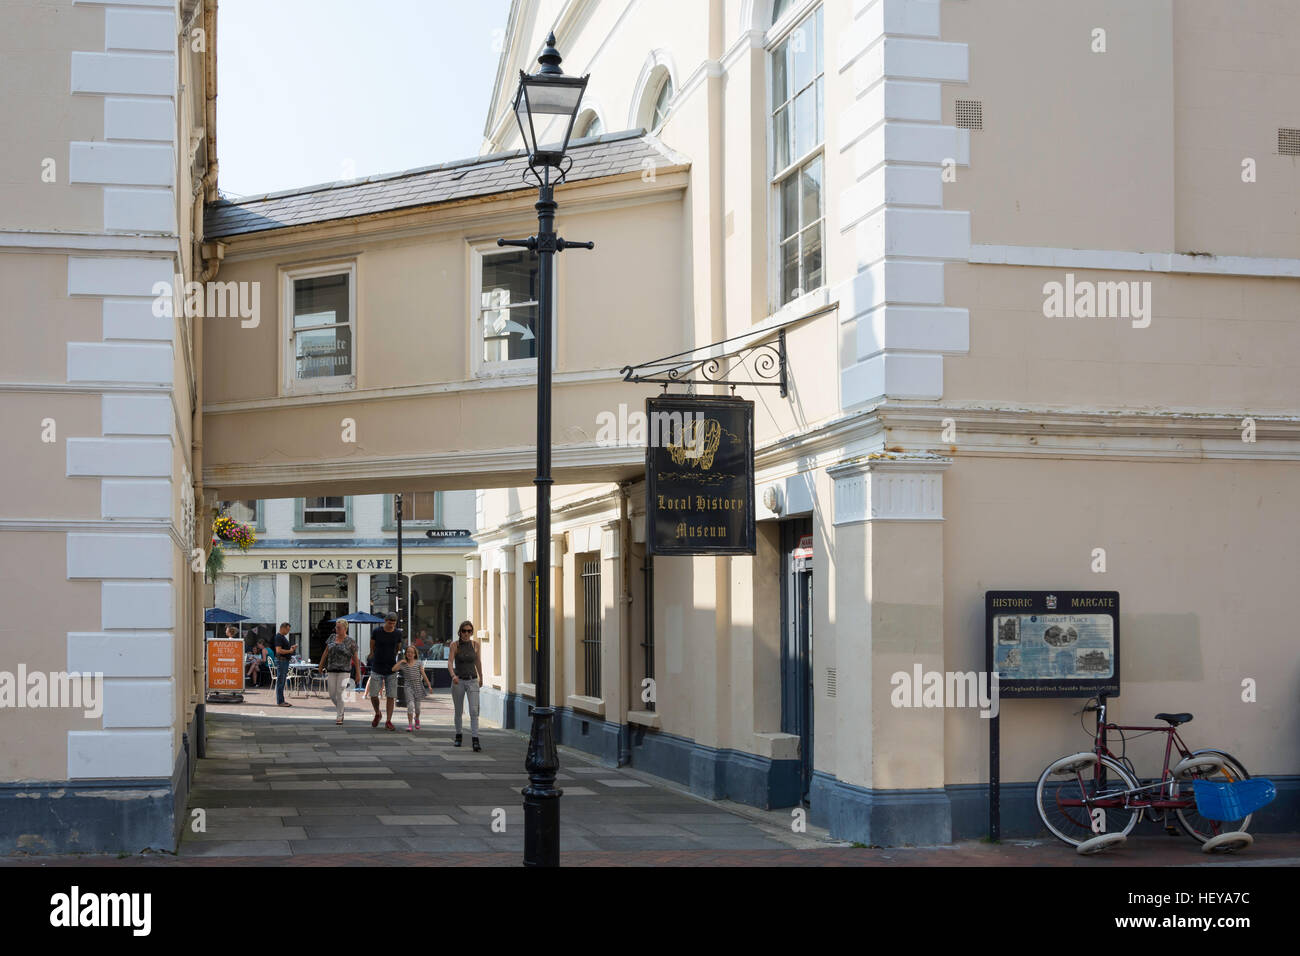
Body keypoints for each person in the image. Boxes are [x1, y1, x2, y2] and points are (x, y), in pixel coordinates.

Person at [449, 620, 483, 751]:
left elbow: (478, 662)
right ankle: (458, 736)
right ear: (460, 632)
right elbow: (450, 662)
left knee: (474, 711)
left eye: (469, 631)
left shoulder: (475, 645)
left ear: (471, 632)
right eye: (464, 631)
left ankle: (475, 739)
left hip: (472, 680)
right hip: (459, 681)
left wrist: (481, 677)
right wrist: (453, 675)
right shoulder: (455, 645)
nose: (466, 633)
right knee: (458, 711)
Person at [318, 619, 360, 725]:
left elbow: (355, 658)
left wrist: (358, 673)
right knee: (332, 694)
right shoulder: (332, 637)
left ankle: (339, 715)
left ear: (345, 628)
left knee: (340, 692)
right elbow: (326, 652)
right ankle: (340, 708)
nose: (336, 629)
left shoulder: (351, 641)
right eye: (336, 627)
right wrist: (321, 665)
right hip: (331, 669)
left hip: (344, 670)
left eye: (338, 627)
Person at [368, 612, 403, 730]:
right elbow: (372, 645)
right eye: (389, 622)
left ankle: (388, 720)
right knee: (373, 694)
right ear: (385, 621)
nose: (391, 625)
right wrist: (372, 654)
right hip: (377, 666)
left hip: (391, 667)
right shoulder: (377, 631)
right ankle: (378, 713)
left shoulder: (398, 633)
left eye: (393, 623)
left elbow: (398, 647)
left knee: (391, 696)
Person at [395, 645, 432, 732]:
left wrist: (429, 685)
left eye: (412, 652)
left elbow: (423, 674)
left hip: (418, 686)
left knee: (417, 708)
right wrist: (400, 662)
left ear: (415, 654)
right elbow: (393, 669)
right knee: (410, 705)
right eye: (408, 652)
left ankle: (417, 718)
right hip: (408, 687)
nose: (410, 654)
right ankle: (410, 725)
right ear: (405, 654)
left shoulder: (418, 663)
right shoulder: (404, 664)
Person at [272, 622, 296, 707]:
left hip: (284, 661)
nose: (288, 631)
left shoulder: (282, 637)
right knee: (281, 681)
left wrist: (291, 648)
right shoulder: (278, 637)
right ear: (283, 628)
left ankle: (282, 701)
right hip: (281, 661)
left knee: (282, 681)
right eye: (287, 630)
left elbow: (283, 648)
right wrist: (290, 651)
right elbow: (278, 650)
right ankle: (280, 701)